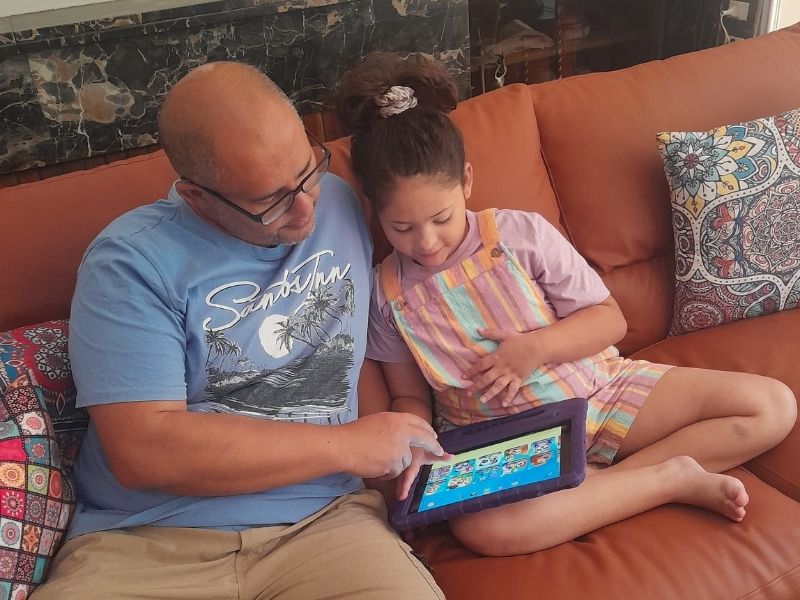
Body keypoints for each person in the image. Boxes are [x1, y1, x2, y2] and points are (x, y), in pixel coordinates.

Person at [334, 52, 798, 557]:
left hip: (597, 392)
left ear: (466, 180)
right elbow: (408, 398)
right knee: (485, 531)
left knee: (771, 407)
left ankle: (616, 484)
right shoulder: (386, 293)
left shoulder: (519, 235)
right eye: (401, 228)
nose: (426, 243)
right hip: (501, 442)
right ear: (374, 210)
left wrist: (535, 349)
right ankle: (662, 479)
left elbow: (609, 321)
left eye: (441, 218)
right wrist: (413, 449)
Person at [31, 61, 449, 600]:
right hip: (145, 542)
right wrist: (350, 446)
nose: (306, 210)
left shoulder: (340, 203)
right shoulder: (128, 264)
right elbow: (143, 450)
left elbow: (353, 349)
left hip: (326, 524)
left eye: (308, 171)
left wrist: (399, 464)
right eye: (270, 201)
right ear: (197, 196)